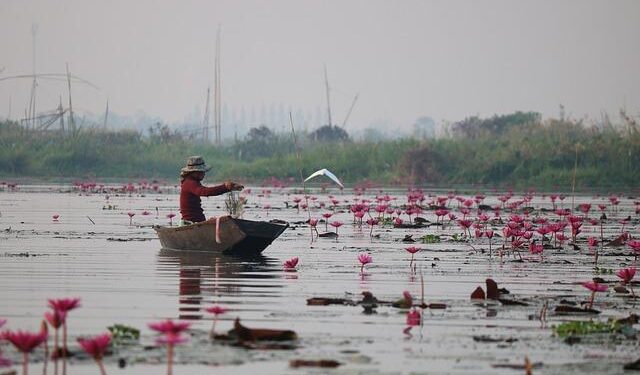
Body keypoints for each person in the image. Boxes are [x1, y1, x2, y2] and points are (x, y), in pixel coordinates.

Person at [179, 156, 243, 223]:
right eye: (200, 171)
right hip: (191, 223)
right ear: (193, 172)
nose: (203, 173)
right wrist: (225, 187)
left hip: (197, 222)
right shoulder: (189, 183)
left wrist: (228, 188)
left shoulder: (192, 182)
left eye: (203, 171)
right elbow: (204, 191)